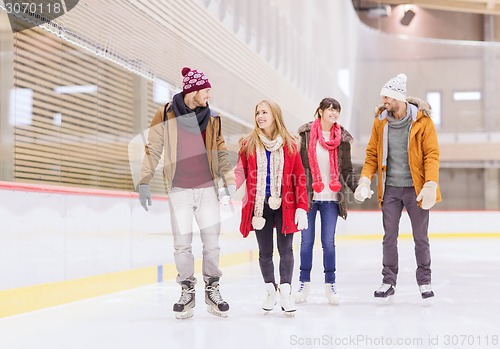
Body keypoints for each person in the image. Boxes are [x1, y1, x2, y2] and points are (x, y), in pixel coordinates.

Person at [138, 67, 236, 319]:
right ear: (193, 91)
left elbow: (221, 152)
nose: (209, 95)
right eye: (206, 90)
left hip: (207, 190)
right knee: (182, 246)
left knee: (212, 246)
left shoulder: (213, 117)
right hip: (179, 189)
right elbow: (153, 148)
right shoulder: (165, 114)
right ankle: (187, 292)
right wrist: (144, 181)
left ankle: (213, 289)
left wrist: (228, 181)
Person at [354, 73, 441, 300]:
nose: (384, 102)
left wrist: (430, 184)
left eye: (387, 98)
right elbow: (372, 154)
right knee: (389, 237)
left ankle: (425, 281)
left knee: (421, 237)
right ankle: (388, 281)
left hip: (416, 189)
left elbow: (431, 154)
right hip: (390, 189)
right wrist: (365, 179)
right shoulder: (381, 122)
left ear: (398, 98)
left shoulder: (422, 122)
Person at [235, 100, 308, 315]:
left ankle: (285, 292)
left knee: (285, 250)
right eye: (257, 112)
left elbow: (300, 177)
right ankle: (270, 290)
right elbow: (240, 172)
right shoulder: (248, 144)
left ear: (275, 115)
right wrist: (227, 186)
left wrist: (301, 207)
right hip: (259, 208)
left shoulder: (290, 145)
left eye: (264, 112)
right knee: (264, 252)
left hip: (284, 205)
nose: (260, 116)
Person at [295, 97, 359, 305]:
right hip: (309, 198)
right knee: (306, 243)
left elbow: (347, 170)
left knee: (328, 244)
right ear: (320, 111)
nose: (333, 113)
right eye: (329, 109)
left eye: (336, 110)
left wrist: (357, 187)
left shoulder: (342, 139)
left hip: (332, 199)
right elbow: (298, 166)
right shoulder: (305, 135)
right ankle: (304, 283)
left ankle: (330, 284)